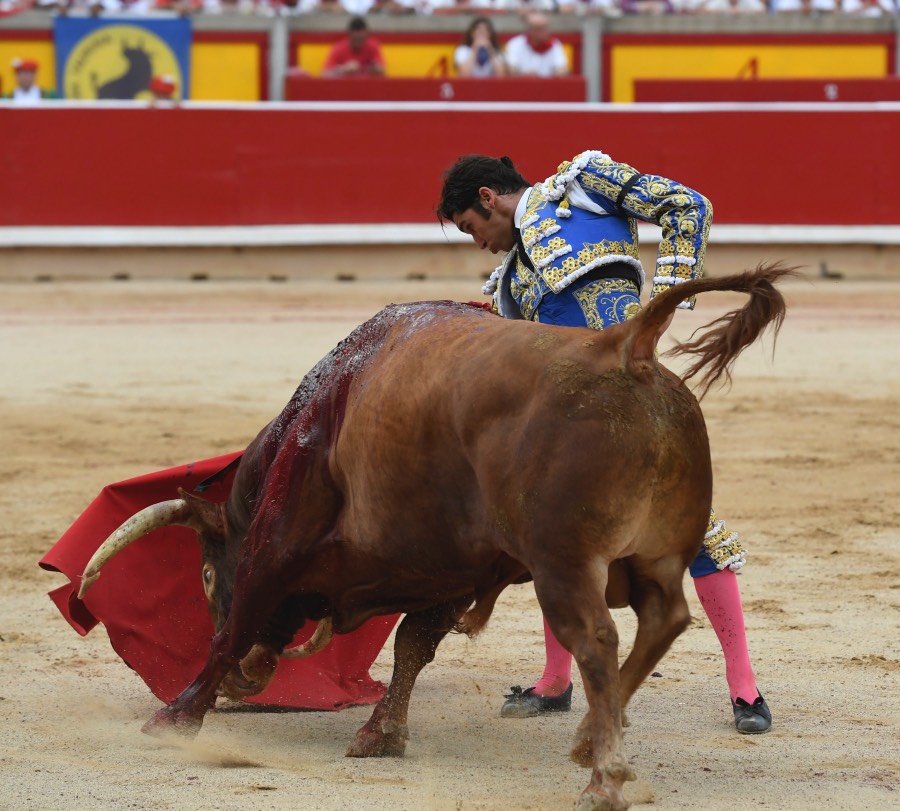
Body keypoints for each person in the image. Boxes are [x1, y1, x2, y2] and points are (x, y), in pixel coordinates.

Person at [437, 150, 772, 735]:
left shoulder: (583, 187)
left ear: (488, 198)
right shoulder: (509, 283)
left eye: (472, 227)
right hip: (561, 433)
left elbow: (686, 205)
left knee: (695, 530)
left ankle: (745, 688)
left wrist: (664, 303)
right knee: (549, 539)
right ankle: (555, 680)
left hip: (630, 399)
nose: (479, 244)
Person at [503, 13, 569, 78]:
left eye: (546, 28)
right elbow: (511, 69)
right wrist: (524, 74)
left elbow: (562, 68)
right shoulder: (515, 43)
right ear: (530, 30)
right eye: (540, 29)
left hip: (548, 86)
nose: (545, 31)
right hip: (521, 85)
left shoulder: (555, 44)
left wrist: (559, 72)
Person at [321, 16, 386, 78]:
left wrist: (375, 69)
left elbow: (382, 70)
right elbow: (325, 74)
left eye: (361, 39)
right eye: (355, 39)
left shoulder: (372, 46)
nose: (358, 41)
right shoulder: (339, 48)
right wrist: (344, 69)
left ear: (366, 35)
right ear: (349, 34)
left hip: (367, 86)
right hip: (344, 86)